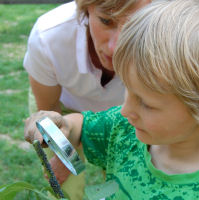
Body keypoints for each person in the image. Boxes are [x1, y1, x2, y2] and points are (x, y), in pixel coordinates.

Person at [24, 0, 199, 198]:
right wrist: (61, 127)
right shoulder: (125, 130)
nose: (125, 110)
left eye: (146, 103)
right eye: (128, 90)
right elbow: (80, 127)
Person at [23, 0, 150, 199]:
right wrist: (64, 155)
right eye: (106, 21)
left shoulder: (166, 37)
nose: (115, 46)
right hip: (62, 110)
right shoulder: (48, 36)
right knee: (68, 187)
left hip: (126, 115)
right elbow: (50, 113)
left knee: (123, 184)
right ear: (86, 7)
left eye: (135, 25)